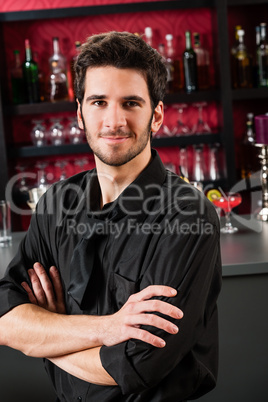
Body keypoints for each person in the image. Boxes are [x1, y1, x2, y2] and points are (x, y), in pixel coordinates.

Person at [0, 31, 222, 401]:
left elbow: (137, 365)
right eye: (99, 102)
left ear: (157, 115)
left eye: (131, 103)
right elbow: (6, 320)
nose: (114, 121)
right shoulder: (56, 203)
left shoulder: (188, 214)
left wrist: (48, 336)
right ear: (80, 114)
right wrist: (108, 329)